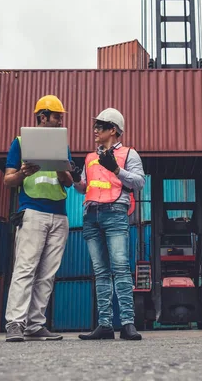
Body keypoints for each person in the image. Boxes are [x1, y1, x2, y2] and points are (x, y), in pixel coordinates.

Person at [3, 95, 74, 342]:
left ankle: (35, 325)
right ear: (42, 116)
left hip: (59, 215)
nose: (60, 121)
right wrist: (23, 172)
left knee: (47, 274)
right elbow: (8, 180)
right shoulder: (20, 143)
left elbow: (69, 181)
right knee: (25, 268)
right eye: (56, 117)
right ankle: (15, 323)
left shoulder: (62, 146)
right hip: (32, 212)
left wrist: (59, 166)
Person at [72, 108, 146, 341]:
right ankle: (104, 325)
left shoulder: (129, 153)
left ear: (113, 130)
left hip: (115, 213)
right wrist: (75, 178)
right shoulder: (89, 157)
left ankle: (127, 324)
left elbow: (139, 182)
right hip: (91, 215)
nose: (95, 130)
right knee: (101, 271)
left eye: (100, 126)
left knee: (121, 268)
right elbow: (83, 187)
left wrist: (115, 168)